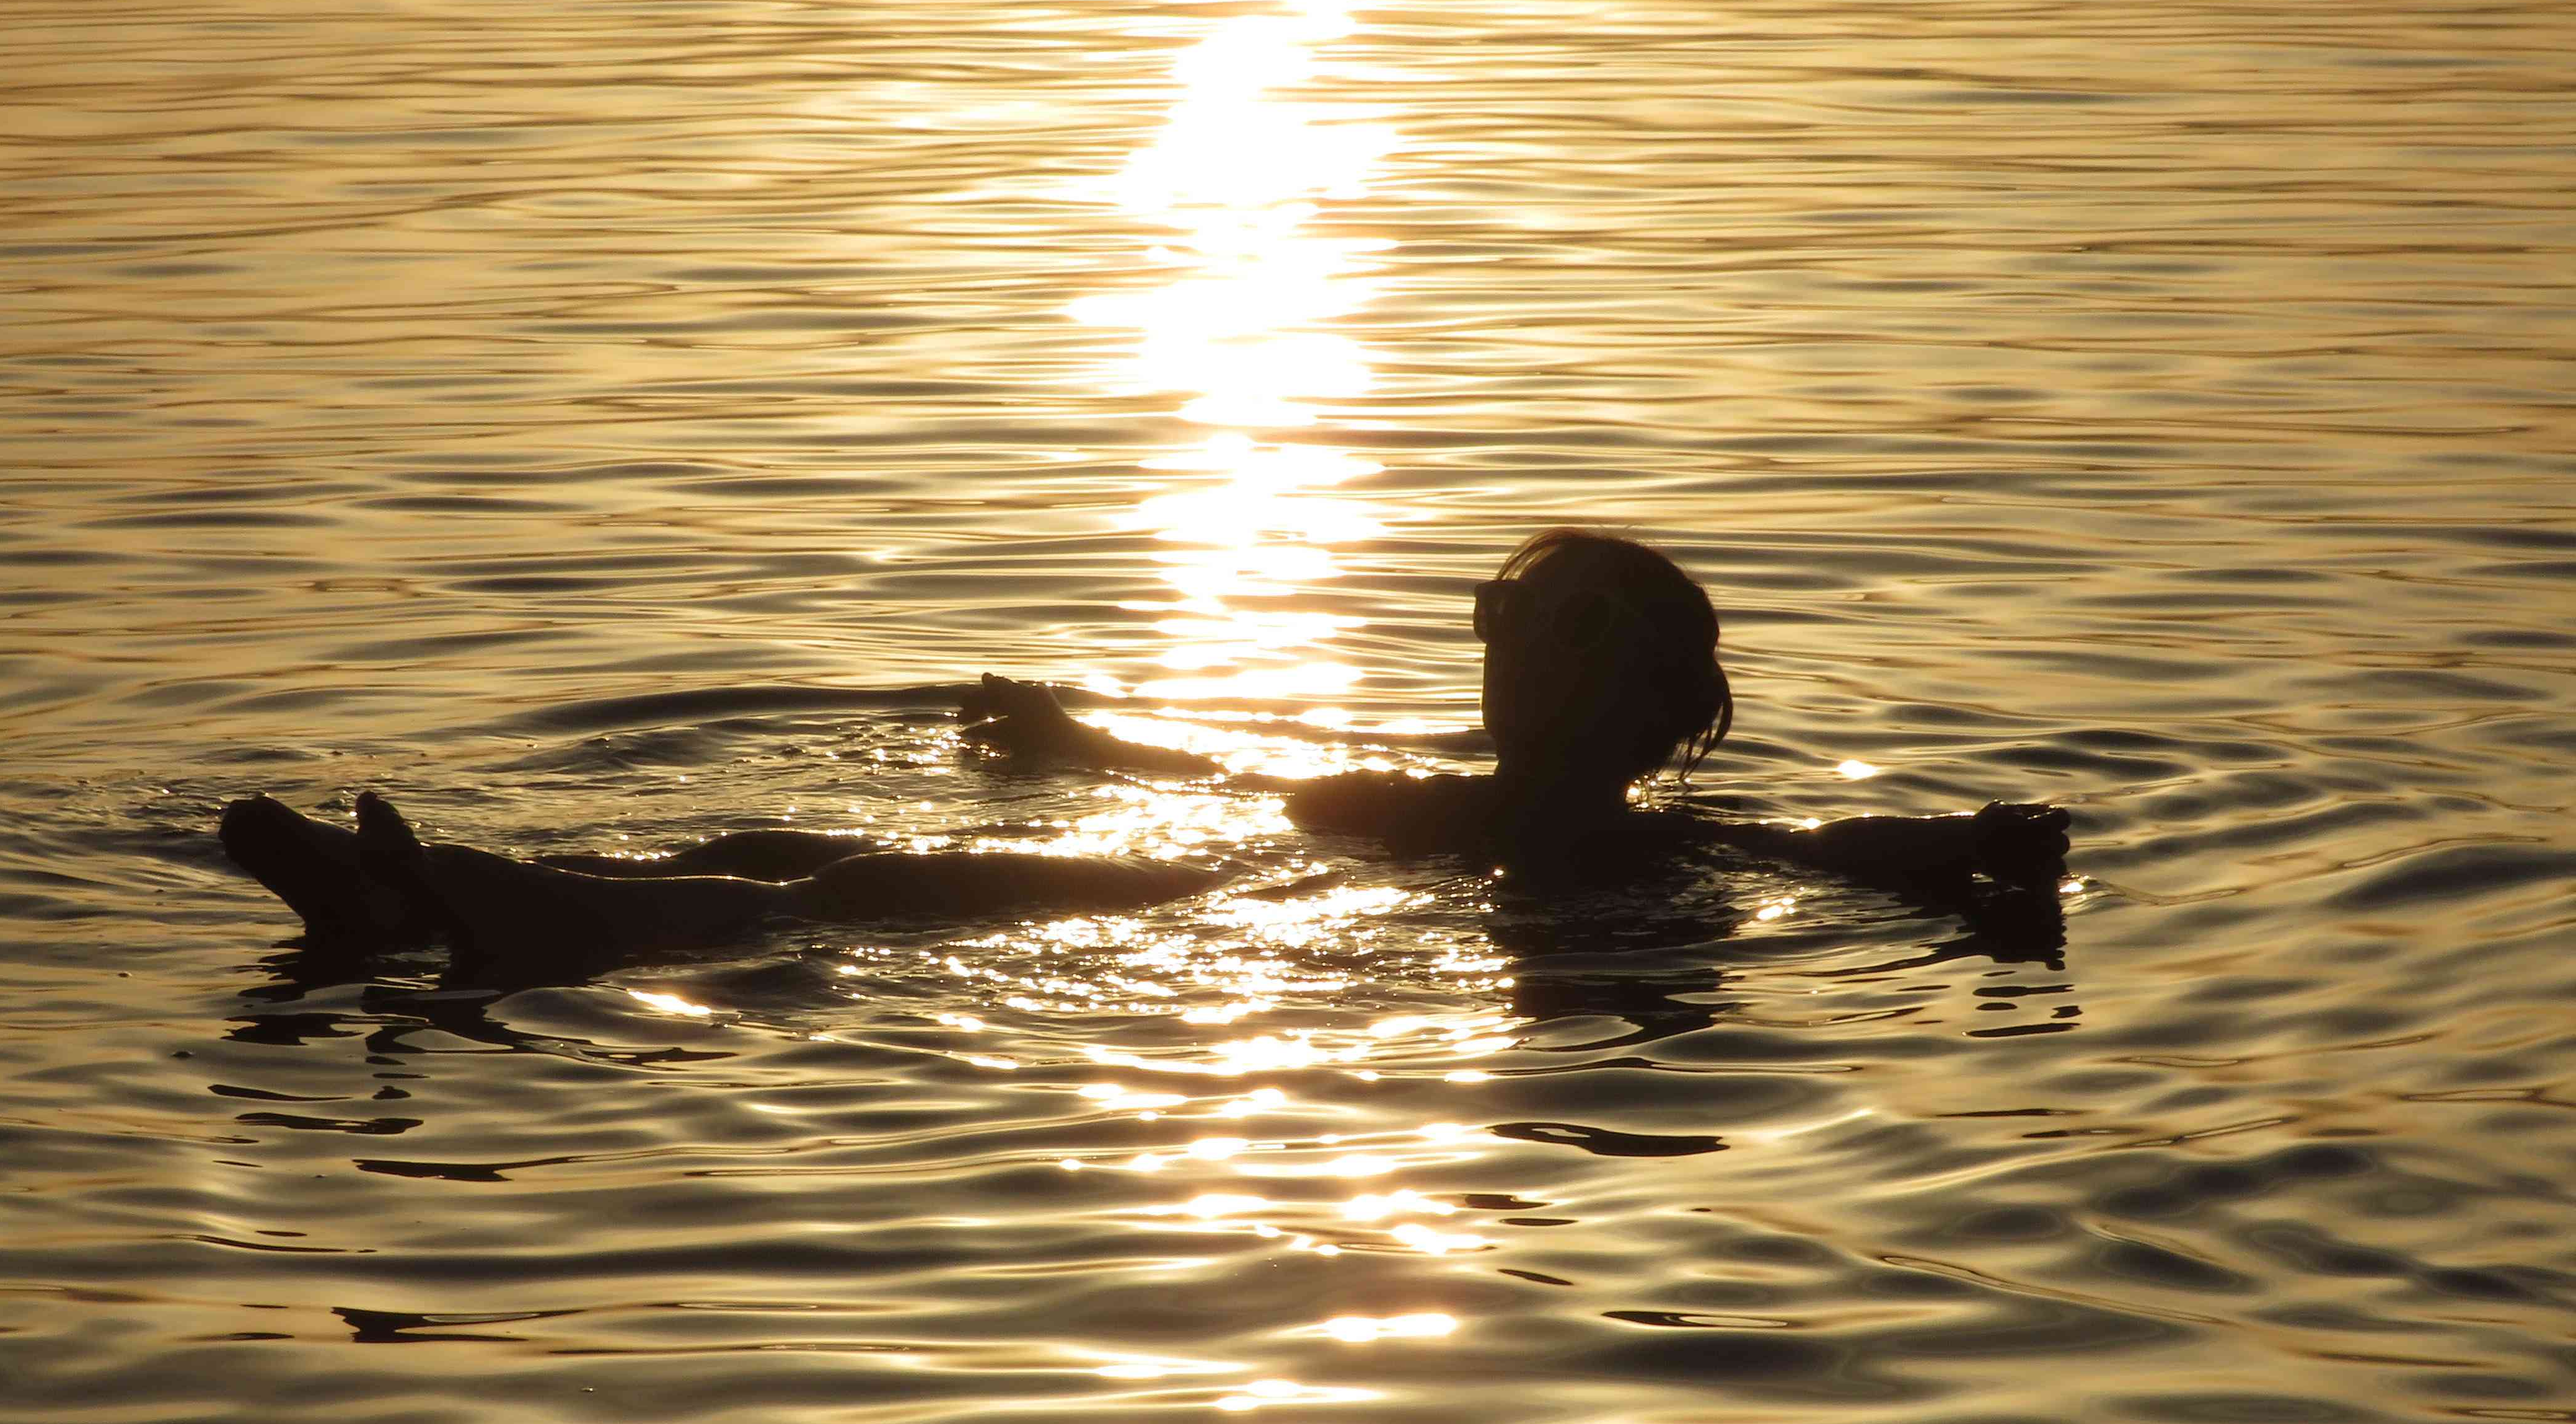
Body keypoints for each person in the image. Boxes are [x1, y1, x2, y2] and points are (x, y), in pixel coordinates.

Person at [217, 529, 2065, 974]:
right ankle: (425, 893)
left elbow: (1820, 856)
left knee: (848, 896)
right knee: (794, 866)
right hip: (1215, 882)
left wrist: (1971, 849)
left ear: (1654, 712)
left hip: (1190, 917)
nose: (1503, 663)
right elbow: (1233, 758)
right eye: (1500, 630)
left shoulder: (1641, 854)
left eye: (1554, 643)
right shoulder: (1419, 780)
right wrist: (1087, 735)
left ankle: (442, 903)